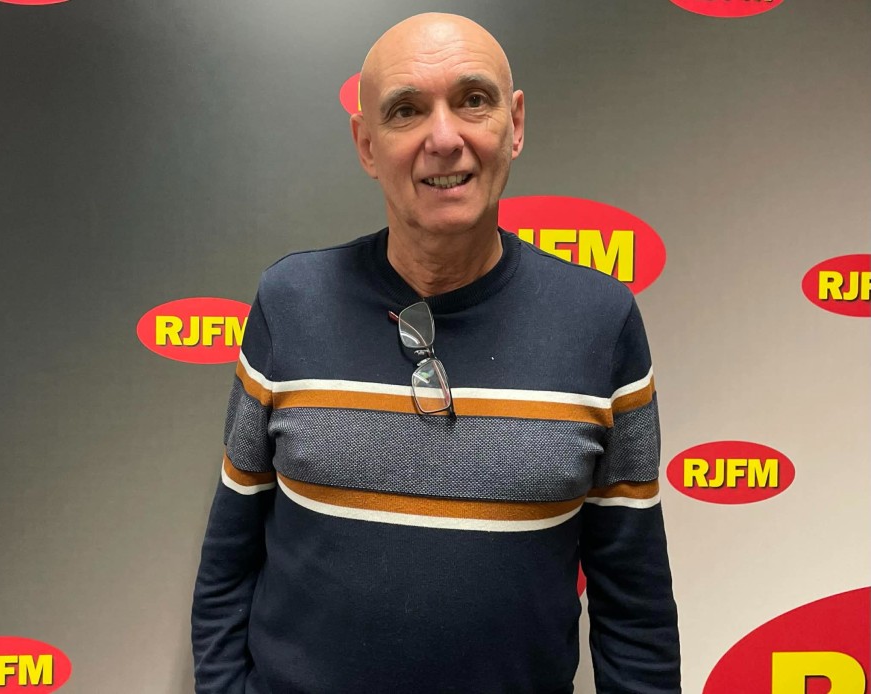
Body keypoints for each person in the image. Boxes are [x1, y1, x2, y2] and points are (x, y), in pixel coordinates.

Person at [192, 12, 680, 694]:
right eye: (406, 110)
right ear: (366, 145)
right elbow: (228, 558)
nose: (444, 138)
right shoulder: (290, 302)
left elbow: (634, 604)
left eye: (473, 100)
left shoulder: (600, 322)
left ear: (514, 125)